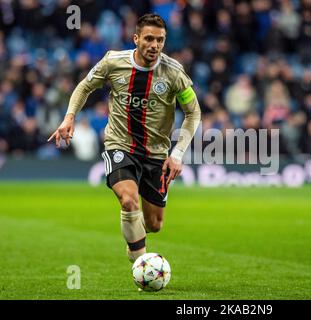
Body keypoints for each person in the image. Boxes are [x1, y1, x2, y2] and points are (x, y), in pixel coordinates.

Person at [47, 13, 201, 263]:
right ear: (136, 38)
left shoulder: (174, 73)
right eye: (149, 39)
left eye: (160, 40)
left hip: (157, 152)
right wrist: (69, 117)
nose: (155, 45)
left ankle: (135, 242)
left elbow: (193, 113)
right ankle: (141, 266)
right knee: (128, 201)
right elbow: (85, 86)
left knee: (154, 224)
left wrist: (177, 154)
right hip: (120, 145)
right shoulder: (113, 61)